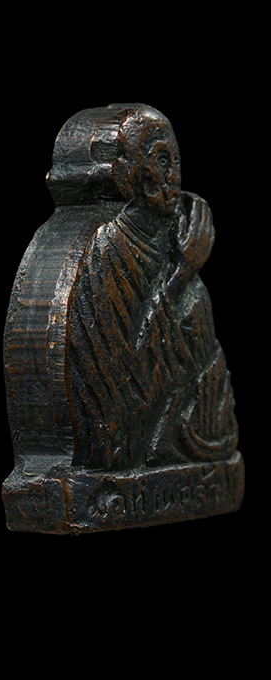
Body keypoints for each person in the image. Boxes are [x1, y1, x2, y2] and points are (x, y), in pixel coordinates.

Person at [62, 104, 238, 470]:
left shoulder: (178, 239)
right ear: (127, 174)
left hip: (189, 441)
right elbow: (124, 390)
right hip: (125, 450)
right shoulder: (109, 253)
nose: (174, 176)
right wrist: (182, 274)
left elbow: (206, 365)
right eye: (160, 160)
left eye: (176, 161)